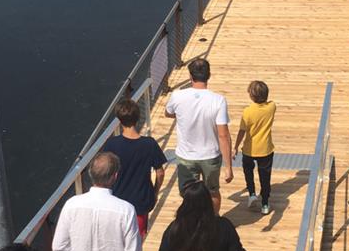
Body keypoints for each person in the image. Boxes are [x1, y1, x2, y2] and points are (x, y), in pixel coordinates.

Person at [166, 58, 233, 214]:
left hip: (185, 157)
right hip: (211, 156)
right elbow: (223, 135)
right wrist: (228, 167)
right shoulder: (218, 100)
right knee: (213, 191)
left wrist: (183, 115)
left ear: (190, 76)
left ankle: (193, 221)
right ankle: (214, 221)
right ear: (208, 76)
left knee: (188, 194)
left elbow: (168, 113)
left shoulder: (177, 96)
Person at [104, 98, 167, 240]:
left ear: (119, 120)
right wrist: (155, 191)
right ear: (138, 119)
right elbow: (160, 172)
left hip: (117, 201)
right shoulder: (149, 144)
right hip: (141, 201)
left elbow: (106, 172)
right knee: (137, 240)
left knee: (118, 239)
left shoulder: (112, 145)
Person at [234, 81, 276, 215]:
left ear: (251, 96)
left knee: (248, 171)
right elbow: (271, 102)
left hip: (249, 149)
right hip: (266, 149)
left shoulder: (247, 112)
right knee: (265, 176)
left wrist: (235, 147)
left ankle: (251, 193)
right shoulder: (272, 107)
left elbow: (242, 131)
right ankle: (265, 203)